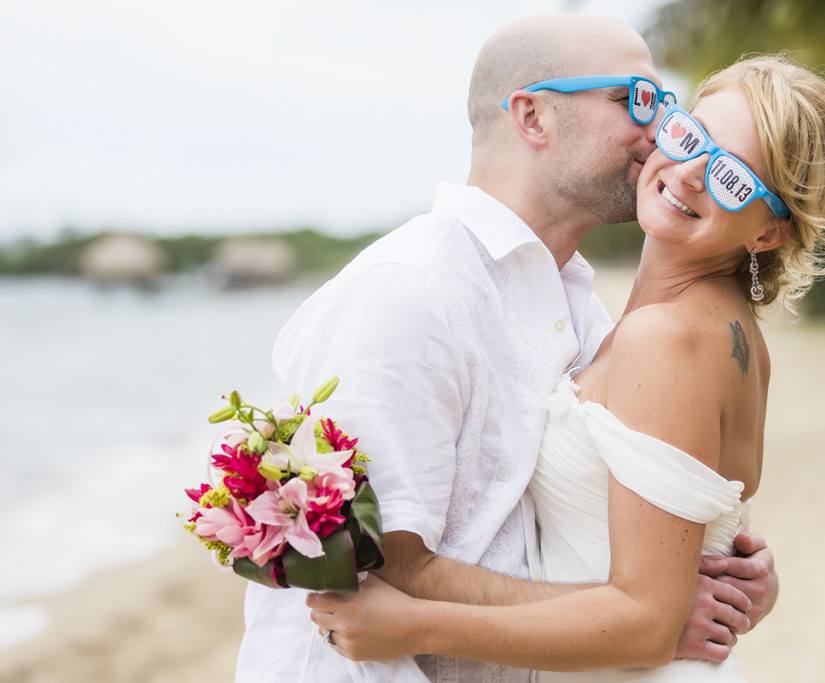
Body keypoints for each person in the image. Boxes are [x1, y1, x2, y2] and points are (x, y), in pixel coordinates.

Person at [236, 14, 779, 683]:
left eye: (666, 105)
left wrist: (710, 562)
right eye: (635, 99)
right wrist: (647, 622)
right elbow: (386, 564)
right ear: (532, 116)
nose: (659, 131)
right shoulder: (411, 291)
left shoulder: (580, 305)